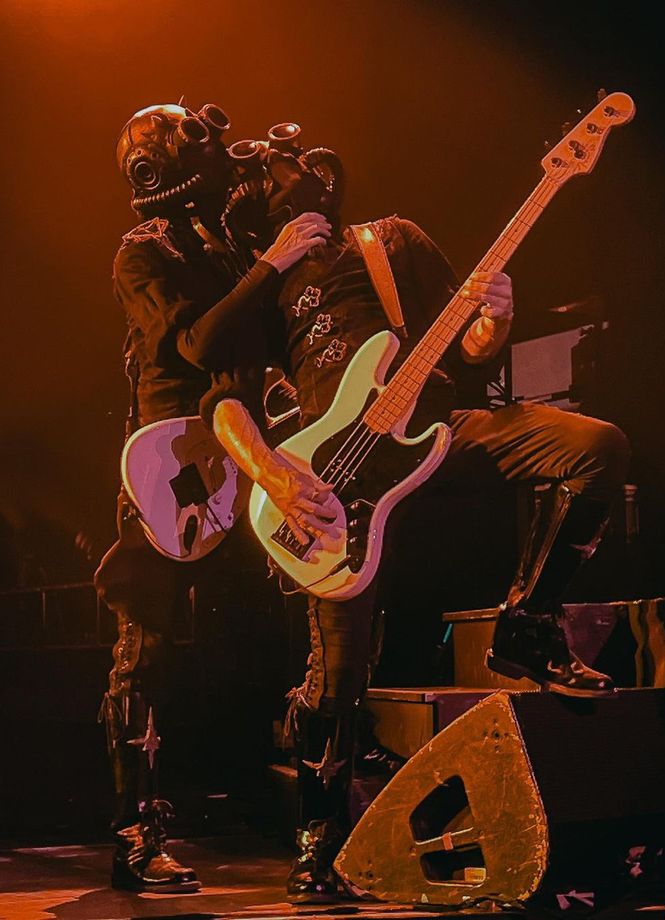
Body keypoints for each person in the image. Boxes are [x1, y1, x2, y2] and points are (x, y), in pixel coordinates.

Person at [209, 132, 631, 901]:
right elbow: (226, 404)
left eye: (289, 170)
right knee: (336, 673)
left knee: (595, 447)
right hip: (331, 486)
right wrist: (271, 470)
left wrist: (494, 320)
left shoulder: (389, 241)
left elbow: (471, 349)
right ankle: (319, 837)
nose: (281, 182)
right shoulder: (262, 289)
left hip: (438, 433)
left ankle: (528, 622)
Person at [95, 101, 332, 893]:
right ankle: (136, 837)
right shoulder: (143, 251)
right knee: (146, 654)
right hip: (173, 466)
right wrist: (271, 266)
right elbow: (193, 342)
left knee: (302, 608)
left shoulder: (223, 246)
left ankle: (320, 826)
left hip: (245, 454)